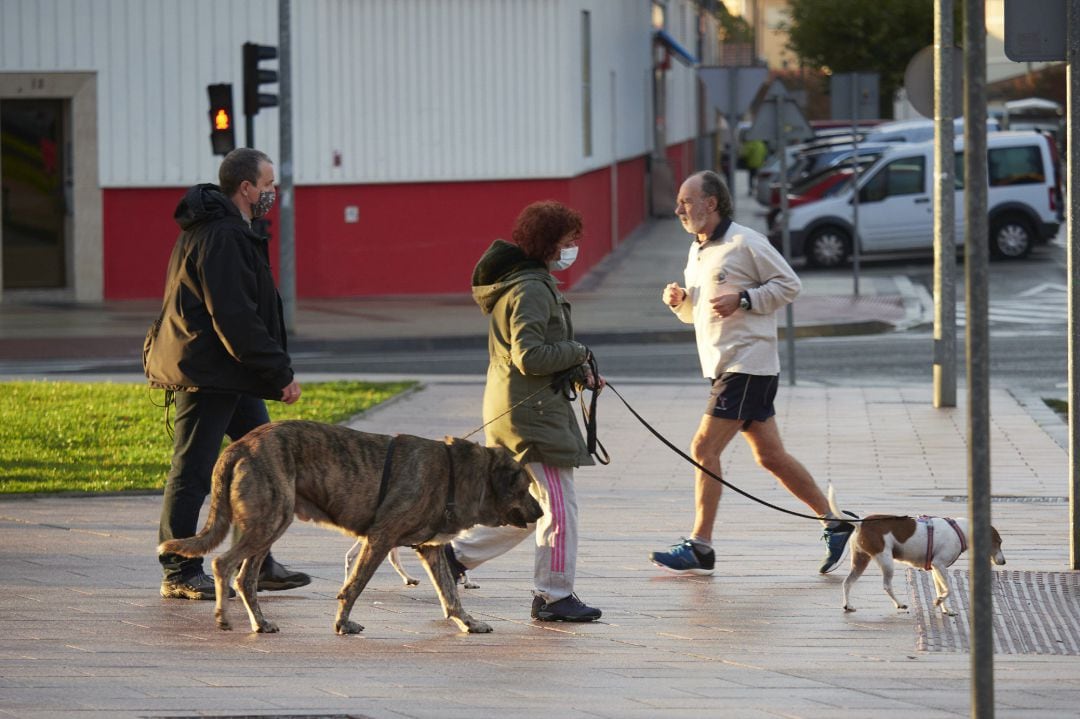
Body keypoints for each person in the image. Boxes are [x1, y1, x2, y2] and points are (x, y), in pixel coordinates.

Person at [648, 170, 857, 576]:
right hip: (726, 365)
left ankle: (700, 546)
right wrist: (679, 302)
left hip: (748, 365)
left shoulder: (746, 241)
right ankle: (834, 522)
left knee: (703, 448)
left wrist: (745, 298)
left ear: (712, 203)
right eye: (679, 201)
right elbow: (698, 314)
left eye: (686, 201)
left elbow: (790, 285)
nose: (678, 209)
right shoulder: (699, 250)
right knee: (771, 456)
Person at [144, 147, 311, 600]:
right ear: (246, 188)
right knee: (193, 472)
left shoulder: (227, 230)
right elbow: (234, 316)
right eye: (268, 185)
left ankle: (257, 562)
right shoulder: (221, 235)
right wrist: (279, 372)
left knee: (265, 464)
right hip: (208, 371)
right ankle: (179, 569)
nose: (272, 193)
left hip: (227, 372)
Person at [444, 200, 603, 622]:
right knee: (559, 507)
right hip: (530, 417)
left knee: (527, 508)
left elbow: (532, 356)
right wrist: (579, 350)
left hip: (521, 407)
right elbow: (530, 356)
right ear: (551, 243)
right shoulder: (531, 288)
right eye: (569, 241)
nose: (573, 247)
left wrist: (578, 371)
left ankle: (453, 558)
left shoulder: (524, 282)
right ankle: (554, 596)